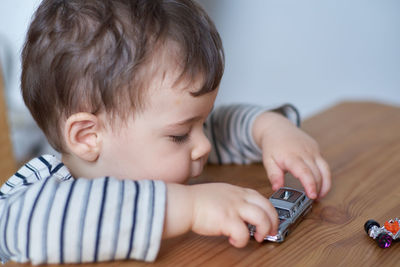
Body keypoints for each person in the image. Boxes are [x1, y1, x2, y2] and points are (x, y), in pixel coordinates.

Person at [0, 0, 331, 264]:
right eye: (179, 135)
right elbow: (15, 223)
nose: (202, 144)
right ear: (88, 136)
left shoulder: (144, 152)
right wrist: (190, 207)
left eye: (199, 123)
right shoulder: (37, 193)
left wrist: (269, 129)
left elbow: (221, 131)